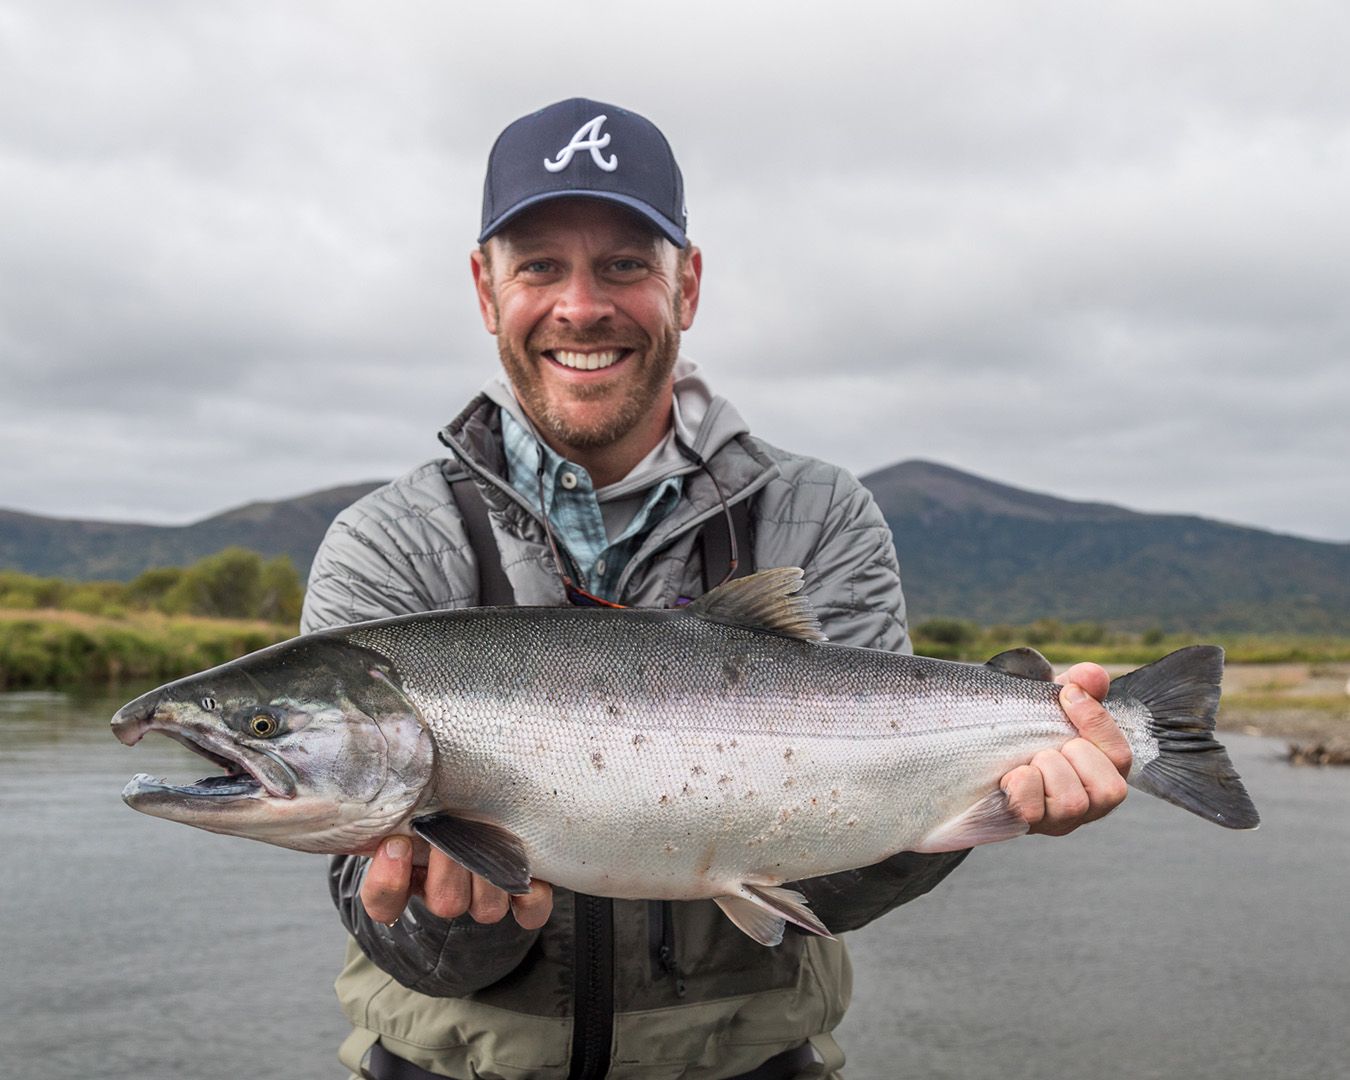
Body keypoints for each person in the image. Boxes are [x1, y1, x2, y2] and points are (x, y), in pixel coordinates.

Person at [301, 97, 1132, 1080]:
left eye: (623, 265)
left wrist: (990, 801)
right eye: (538, 267)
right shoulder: (385, 546)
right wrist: (462, 921)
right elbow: (381, 917)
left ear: (685, 285)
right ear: (486, 293)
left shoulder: (820, 515)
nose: (580, 306)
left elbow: (840, 896)